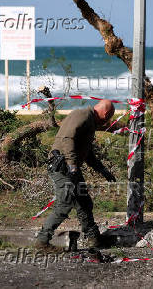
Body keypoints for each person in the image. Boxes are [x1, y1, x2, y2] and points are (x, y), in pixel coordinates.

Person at [35, 99, 117, 251]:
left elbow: (88, 153)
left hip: (71, 167)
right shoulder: (83, 115)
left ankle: (94, 239)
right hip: (62, 166)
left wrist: (103, 170)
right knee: (65, 202)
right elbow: (67, 138)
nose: (108, 121)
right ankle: (42, 242)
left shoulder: (90, 121)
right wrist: (72, 166)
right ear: (105, 114)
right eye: (109, 117)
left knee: (84, 202)